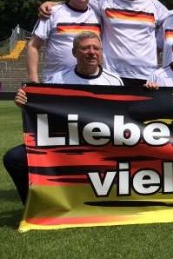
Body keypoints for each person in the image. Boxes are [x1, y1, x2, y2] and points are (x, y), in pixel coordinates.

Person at [4, 31, 122, 204]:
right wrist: (24, 103)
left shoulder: (115, 81)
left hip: (102, 143)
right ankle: (36, 206)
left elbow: (121, 117)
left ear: (101, 52)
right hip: (63, 142)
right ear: (74, 53)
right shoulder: (57, 79)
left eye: (96, 48)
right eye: (85, 48)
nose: (91, 52)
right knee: (14, 158)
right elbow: (42, 112)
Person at [39, 0, 171, 86]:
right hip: (113, 73)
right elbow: (80, 0)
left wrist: (158, 46)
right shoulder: (106, 1)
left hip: (145, 75)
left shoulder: (154, 5)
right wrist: (54, 4)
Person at [26, 0, 101, 83]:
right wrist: (33, 80)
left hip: (91, 83)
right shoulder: (52, 13)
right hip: (58, 83)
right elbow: (33, 46)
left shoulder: (99, 14)